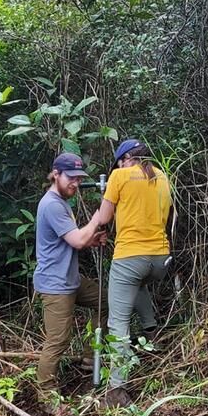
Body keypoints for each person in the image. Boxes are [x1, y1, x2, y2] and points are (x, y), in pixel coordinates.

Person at [90, 139, 172, 392]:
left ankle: (117, 388)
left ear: (125, 159)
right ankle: (152, 331)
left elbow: (104, 217)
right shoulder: (162, 176)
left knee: (118, 321)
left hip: (130, 257)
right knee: (137, 285)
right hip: (160, 259)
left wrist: (90, 228)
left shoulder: (119, 175)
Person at [33, 152, 107, 400]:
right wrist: (98, 218)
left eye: (78, 178)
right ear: (56, 175)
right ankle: (47, 397)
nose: (75, 183)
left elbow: (69, 241)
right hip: (56, 285)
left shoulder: (62, 202)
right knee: (57, 341)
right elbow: (76, 240)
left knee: (104, 301)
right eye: (71, 178)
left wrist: (91, 241)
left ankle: (89, 356)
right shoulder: (52, 204)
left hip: (71, 280)